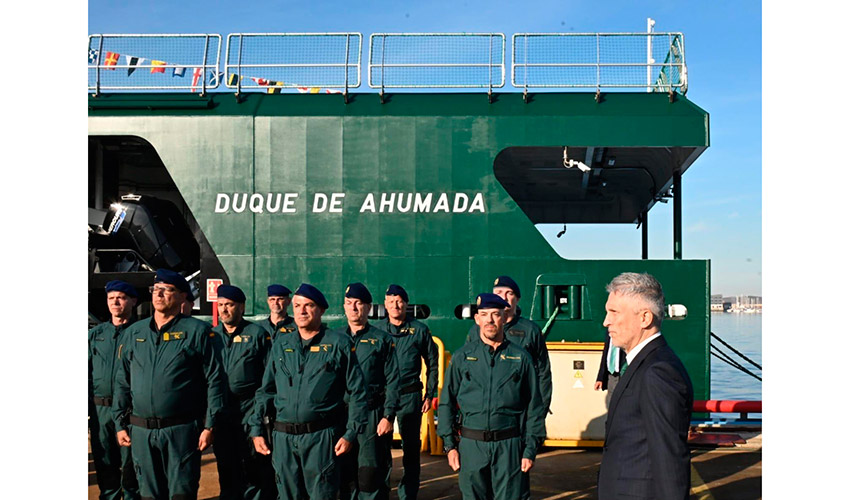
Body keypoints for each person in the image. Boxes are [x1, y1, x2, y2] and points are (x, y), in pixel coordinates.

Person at [113, 269, 226, 500]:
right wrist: (119, 422)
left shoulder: (198, 332)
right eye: (156, 290)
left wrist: (210, 425)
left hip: (181, 431)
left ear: (183, 296)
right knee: (149, 494)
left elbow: (215, 380)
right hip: (142, 432)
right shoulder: (135, 333)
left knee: (181, 493)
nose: (159, 294)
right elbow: (122, 381)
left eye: (167, 290)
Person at [250, 283, 368, 500]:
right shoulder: (281, 344)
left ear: (321, 310)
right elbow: (266, 390)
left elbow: (358, 392)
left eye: (308, 305)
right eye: (297, 305)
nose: (301, 311)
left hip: (320, 438)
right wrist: (256, 429)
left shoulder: (338, 344)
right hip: (283, 439)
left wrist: (351, 433)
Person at [438, 293, 546, 500]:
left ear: (504, 318)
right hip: (471, 445)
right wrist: (449, 445)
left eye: (495, 314)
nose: (489, 320)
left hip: (509, 446)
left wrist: (530, 449)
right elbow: (446, 402)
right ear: (477, 319)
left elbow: (534, 406)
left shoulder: (521, 358)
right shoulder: (462, 357)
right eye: (484, 314)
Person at [597, 272, 694, 500]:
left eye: (614, 312)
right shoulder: (642, 364)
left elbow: (669, 459)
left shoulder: (657, 372)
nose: (606, 321)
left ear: (644, 318)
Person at [465, 276, 552, 499]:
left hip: (518, 420)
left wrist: (538, 415)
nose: (503, 297)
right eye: (498, 292)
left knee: (514, 483)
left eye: (508, 293)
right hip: (485, 421)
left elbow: (542, 374)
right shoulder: (476, 332)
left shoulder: (530, 331)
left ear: (517, 299)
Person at [332, 283, 400, 500]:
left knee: (371, 472)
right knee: (344, 472)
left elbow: (393, 381)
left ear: (368, 308)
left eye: (359, 304)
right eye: (349, 303)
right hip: (341, 414)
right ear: (344, 306)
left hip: (372, 415)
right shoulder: (334, 339)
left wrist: (388, 416)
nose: (353, 308)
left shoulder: (382, 340)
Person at [211, 285, 276, 500]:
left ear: (241, 307)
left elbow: (268, 379)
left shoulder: (257, 335)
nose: (224, 310)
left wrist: (260, 413)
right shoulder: (212, 336)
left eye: (229, 305)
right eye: (220, 305)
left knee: (254, 468)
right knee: (226, 466)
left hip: (250, 411)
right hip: (222, 412)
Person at [378, 284, 439, 500]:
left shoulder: (419, 330)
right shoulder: (377, 331)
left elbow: (432, 361)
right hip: (383, 397)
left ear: (406, 304)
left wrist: (430, 394)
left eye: (399, 300)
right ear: (385, 304)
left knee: (411, 449)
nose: (395, 305)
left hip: (409, 396)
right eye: (391, 300)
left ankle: (408, 494)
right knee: (381, 448)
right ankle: (382, 492)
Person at [88, 280, 140, 500]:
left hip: (131, 411)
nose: (115, 302)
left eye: (121, 297)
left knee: (132, 468)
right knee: (105, 464)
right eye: (111, 298)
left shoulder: (141, 332)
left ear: (133, 301)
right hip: (100, 410)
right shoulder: (96, 334)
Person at [594, 333, 627, 406]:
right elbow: (606, 353)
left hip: (623, 374)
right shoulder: (610, 332)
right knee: (612, 405)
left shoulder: (627, 330)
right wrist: (600, 378)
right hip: (611, 375)